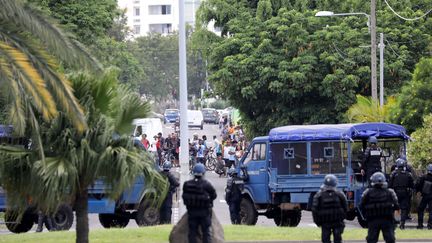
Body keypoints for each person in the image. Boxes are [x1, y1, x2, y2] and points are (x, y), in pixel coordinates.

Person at [360, 172, 399, 243]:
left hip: (373, 220)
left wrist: (365, 217)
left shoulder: (367, 192)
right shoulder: (390, 192)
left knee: (372, 239)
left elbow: (362, 205)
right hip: (387, 220)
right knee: (390, 239)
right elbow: (396, 205)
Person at [182, 163, 217, 243]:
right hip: (204, 213)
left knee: (192, 232)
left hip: (192, 212)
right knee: (206, 233)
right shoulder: (206, 184)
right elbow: (214, 195)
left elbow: (184, 197)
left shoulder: (187, 184)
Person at [312, 174, 347, 243]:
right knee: (337, 239)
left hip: (325, 222)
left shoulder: (319, 195)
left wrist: (317, 222)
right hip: (337, 222)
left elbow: (314, 209)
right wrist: (342, 218)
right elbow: (345, 207)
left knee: (325, 239)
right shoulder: (340, 194)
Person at [388, 157, 414, 229]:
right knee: (404, 209)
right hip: (405, 193)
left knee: (392, 207)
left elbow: (389, 184)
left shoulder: (393, 173)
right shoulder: (408, 174)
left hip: (395, 192)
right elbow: (412, 185)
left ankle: (392, 222)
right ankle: (402, 224)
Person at [415, 163, 432, 229]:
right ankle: (430, 225)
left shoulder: (424, 177)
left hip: (425, 196)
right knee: (431, 211)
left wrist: (418, 191)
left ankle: (420, 225)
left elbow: (418, 185)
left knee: (420, 209)